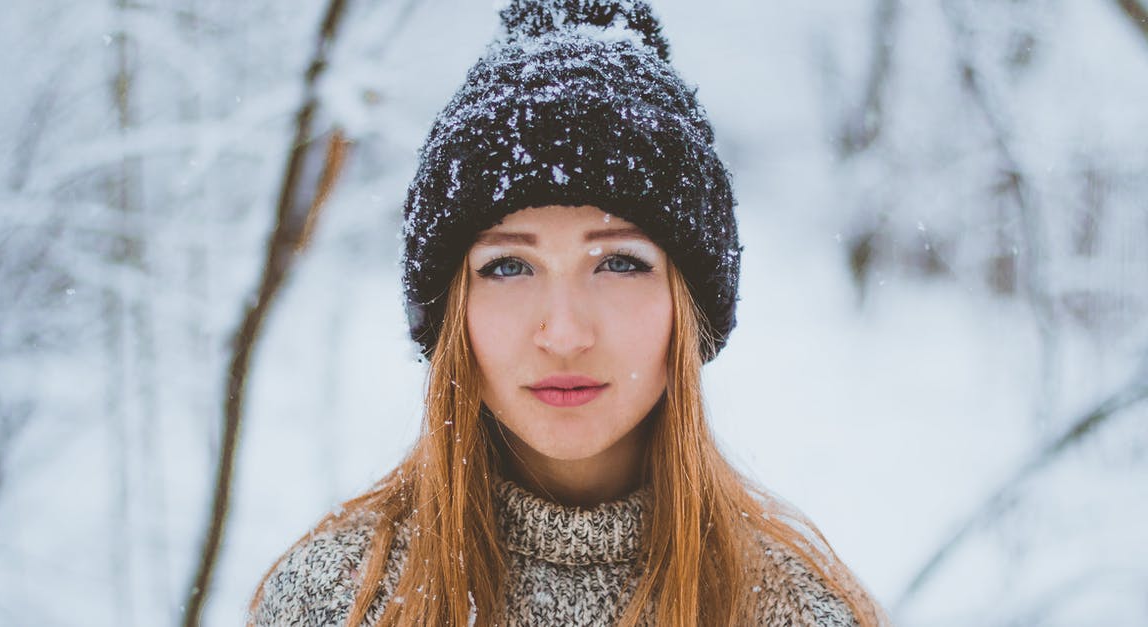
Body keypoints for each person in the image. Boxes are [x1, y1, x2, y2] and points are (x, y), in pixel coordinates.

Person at [249, 0, 890, 624]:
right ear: (451, 315)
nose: (563, 334)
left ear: (686, 305)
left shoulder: (802, 612)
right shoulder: (334, 602)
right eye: (507, 266)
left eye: (618, 262)